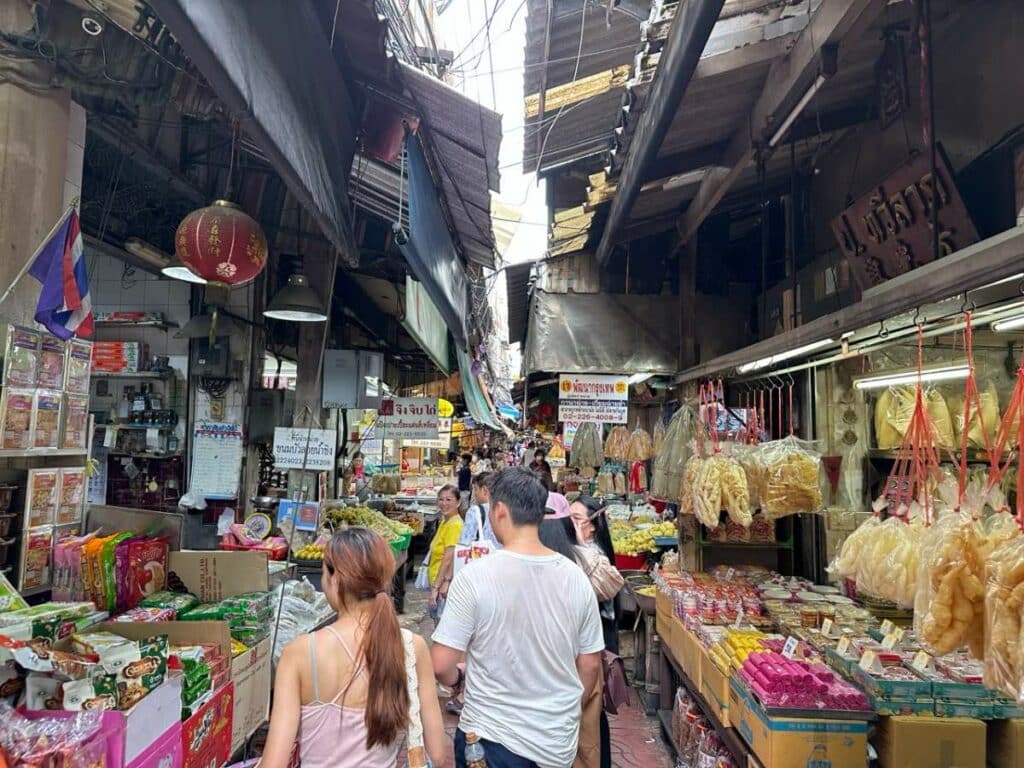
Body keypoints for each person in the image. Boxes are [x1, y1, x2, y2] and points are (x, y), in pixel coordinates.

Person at [432, 467, 604, 768]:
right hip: (555, 742)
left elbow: (441, 663)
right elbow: (590, 663)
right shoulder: (576, 578)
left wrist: (459, 679)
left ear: (499, 510)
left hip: (489, 738)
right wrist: (567, 712)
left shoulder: (474, 576)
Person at [261, 528, 447, 768]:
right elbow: (439, 755)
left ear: (335, 578)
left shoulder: (299, 653)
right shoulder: (412, 646)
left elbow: (273, 763)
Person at [570, 497, 621, 654]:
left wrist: (582, 545)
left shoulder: (596, 553)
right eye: (568, 517)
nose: (570, 522)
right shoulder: (575, 547)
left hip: (600, 629)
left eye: (576, 518)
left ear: (592, 525)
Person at [427, 484, 463, 621]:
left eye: (449, 500)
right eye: (441, 499)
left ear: (458, 502)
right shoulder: (445, 521)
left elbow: (449, 557)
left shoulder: (454, 525)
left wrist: (438, 586)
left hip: (443, 587)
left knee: (442, 627)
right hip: (438, 580)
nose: (444, 503)